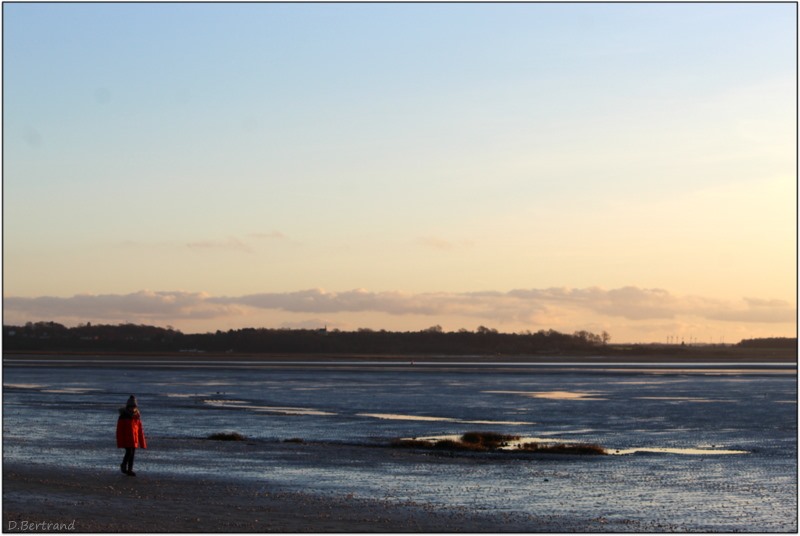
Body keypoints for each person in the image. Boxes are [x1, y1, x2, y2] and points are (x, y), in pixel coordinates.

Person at [116, 395, 147, 476]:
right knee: (129, 452)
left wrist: (142, 442)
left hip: (134, 439)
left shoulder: (137, 417)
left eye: (134, 407)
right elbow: (119, 430)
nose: (132, 408)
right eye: (131, 407)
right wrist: (120, 440)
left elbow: (140, 430)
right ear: (127, 407)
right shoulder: (123, 417)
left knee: (132, 454)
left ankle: (129, 469)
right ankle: (123, 465)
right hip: (126, 439)